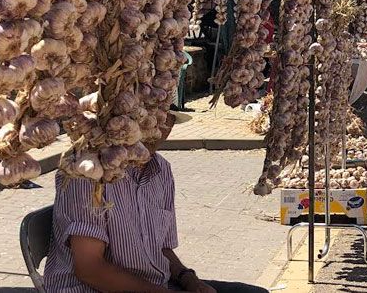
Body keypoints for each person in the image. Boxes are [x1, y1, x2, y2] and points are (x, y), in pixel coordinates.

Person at [44, 113, 268, 293]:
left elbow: (160, 248)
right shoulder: (89, 170)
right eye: (149, 119)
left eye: (166, 120)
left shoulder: (161, 170)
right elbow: (90, 270)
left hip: (153, 284)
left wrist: (188, 279)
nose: (158, 128)